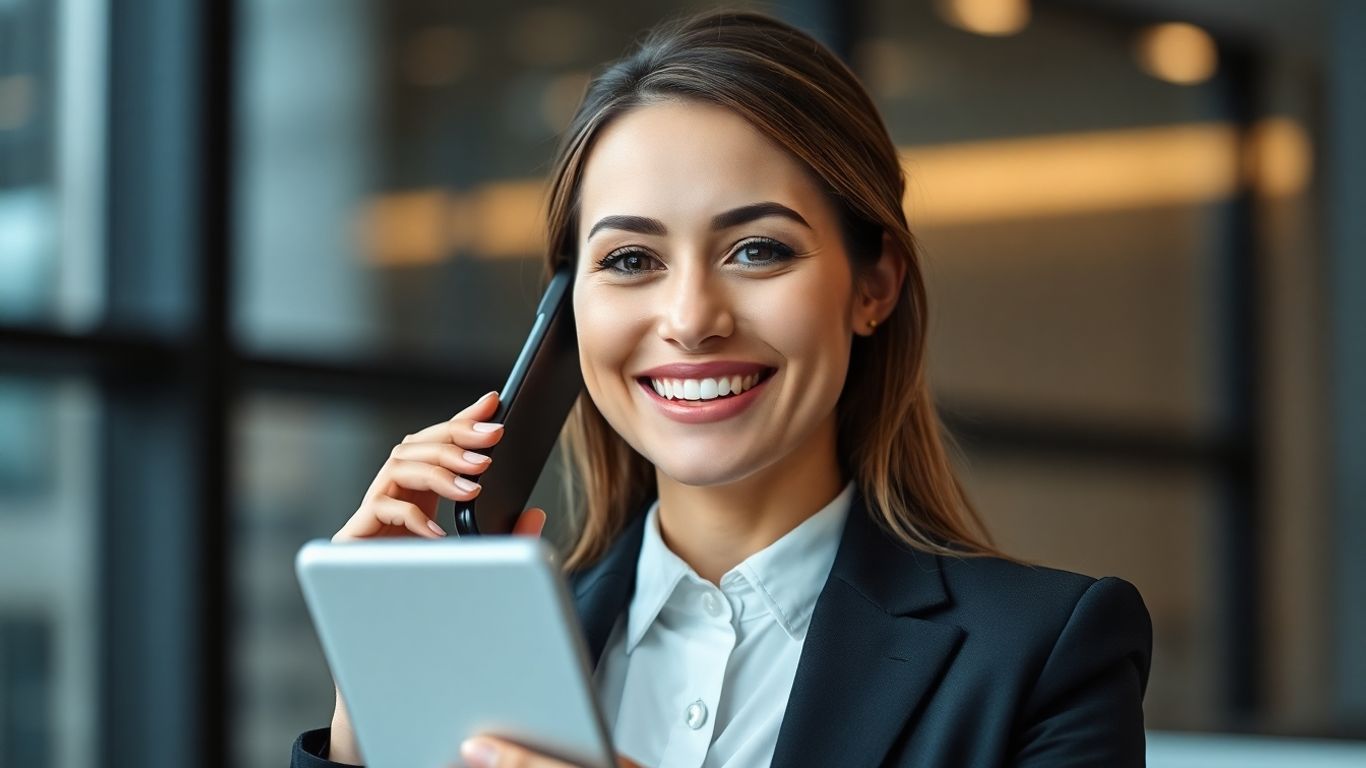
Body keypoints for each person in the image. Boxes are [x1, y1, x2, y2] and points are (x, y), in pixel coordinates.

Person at [291, 9, 1152, 768]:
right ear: (566, 313)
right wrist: (374, 715)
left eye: (757, 250)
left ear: (874, 285)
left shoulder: (1044, 656)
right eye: (631, 259)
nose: (692, 319)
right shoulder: (491, 654)